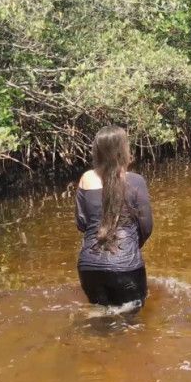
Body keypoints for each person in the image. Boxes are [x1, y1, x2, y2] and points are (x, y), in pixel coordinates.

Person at [75, 125, 153, 309]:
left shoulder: (86, 178)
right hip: (127, 267)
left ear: (97, 150)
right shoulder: (135, 181)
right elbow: (147, 227)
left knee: (99, 319)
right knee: (131, 327)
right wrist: (131, 246)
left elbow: (81, 223)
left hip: (88, 267)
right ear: (123, 150)